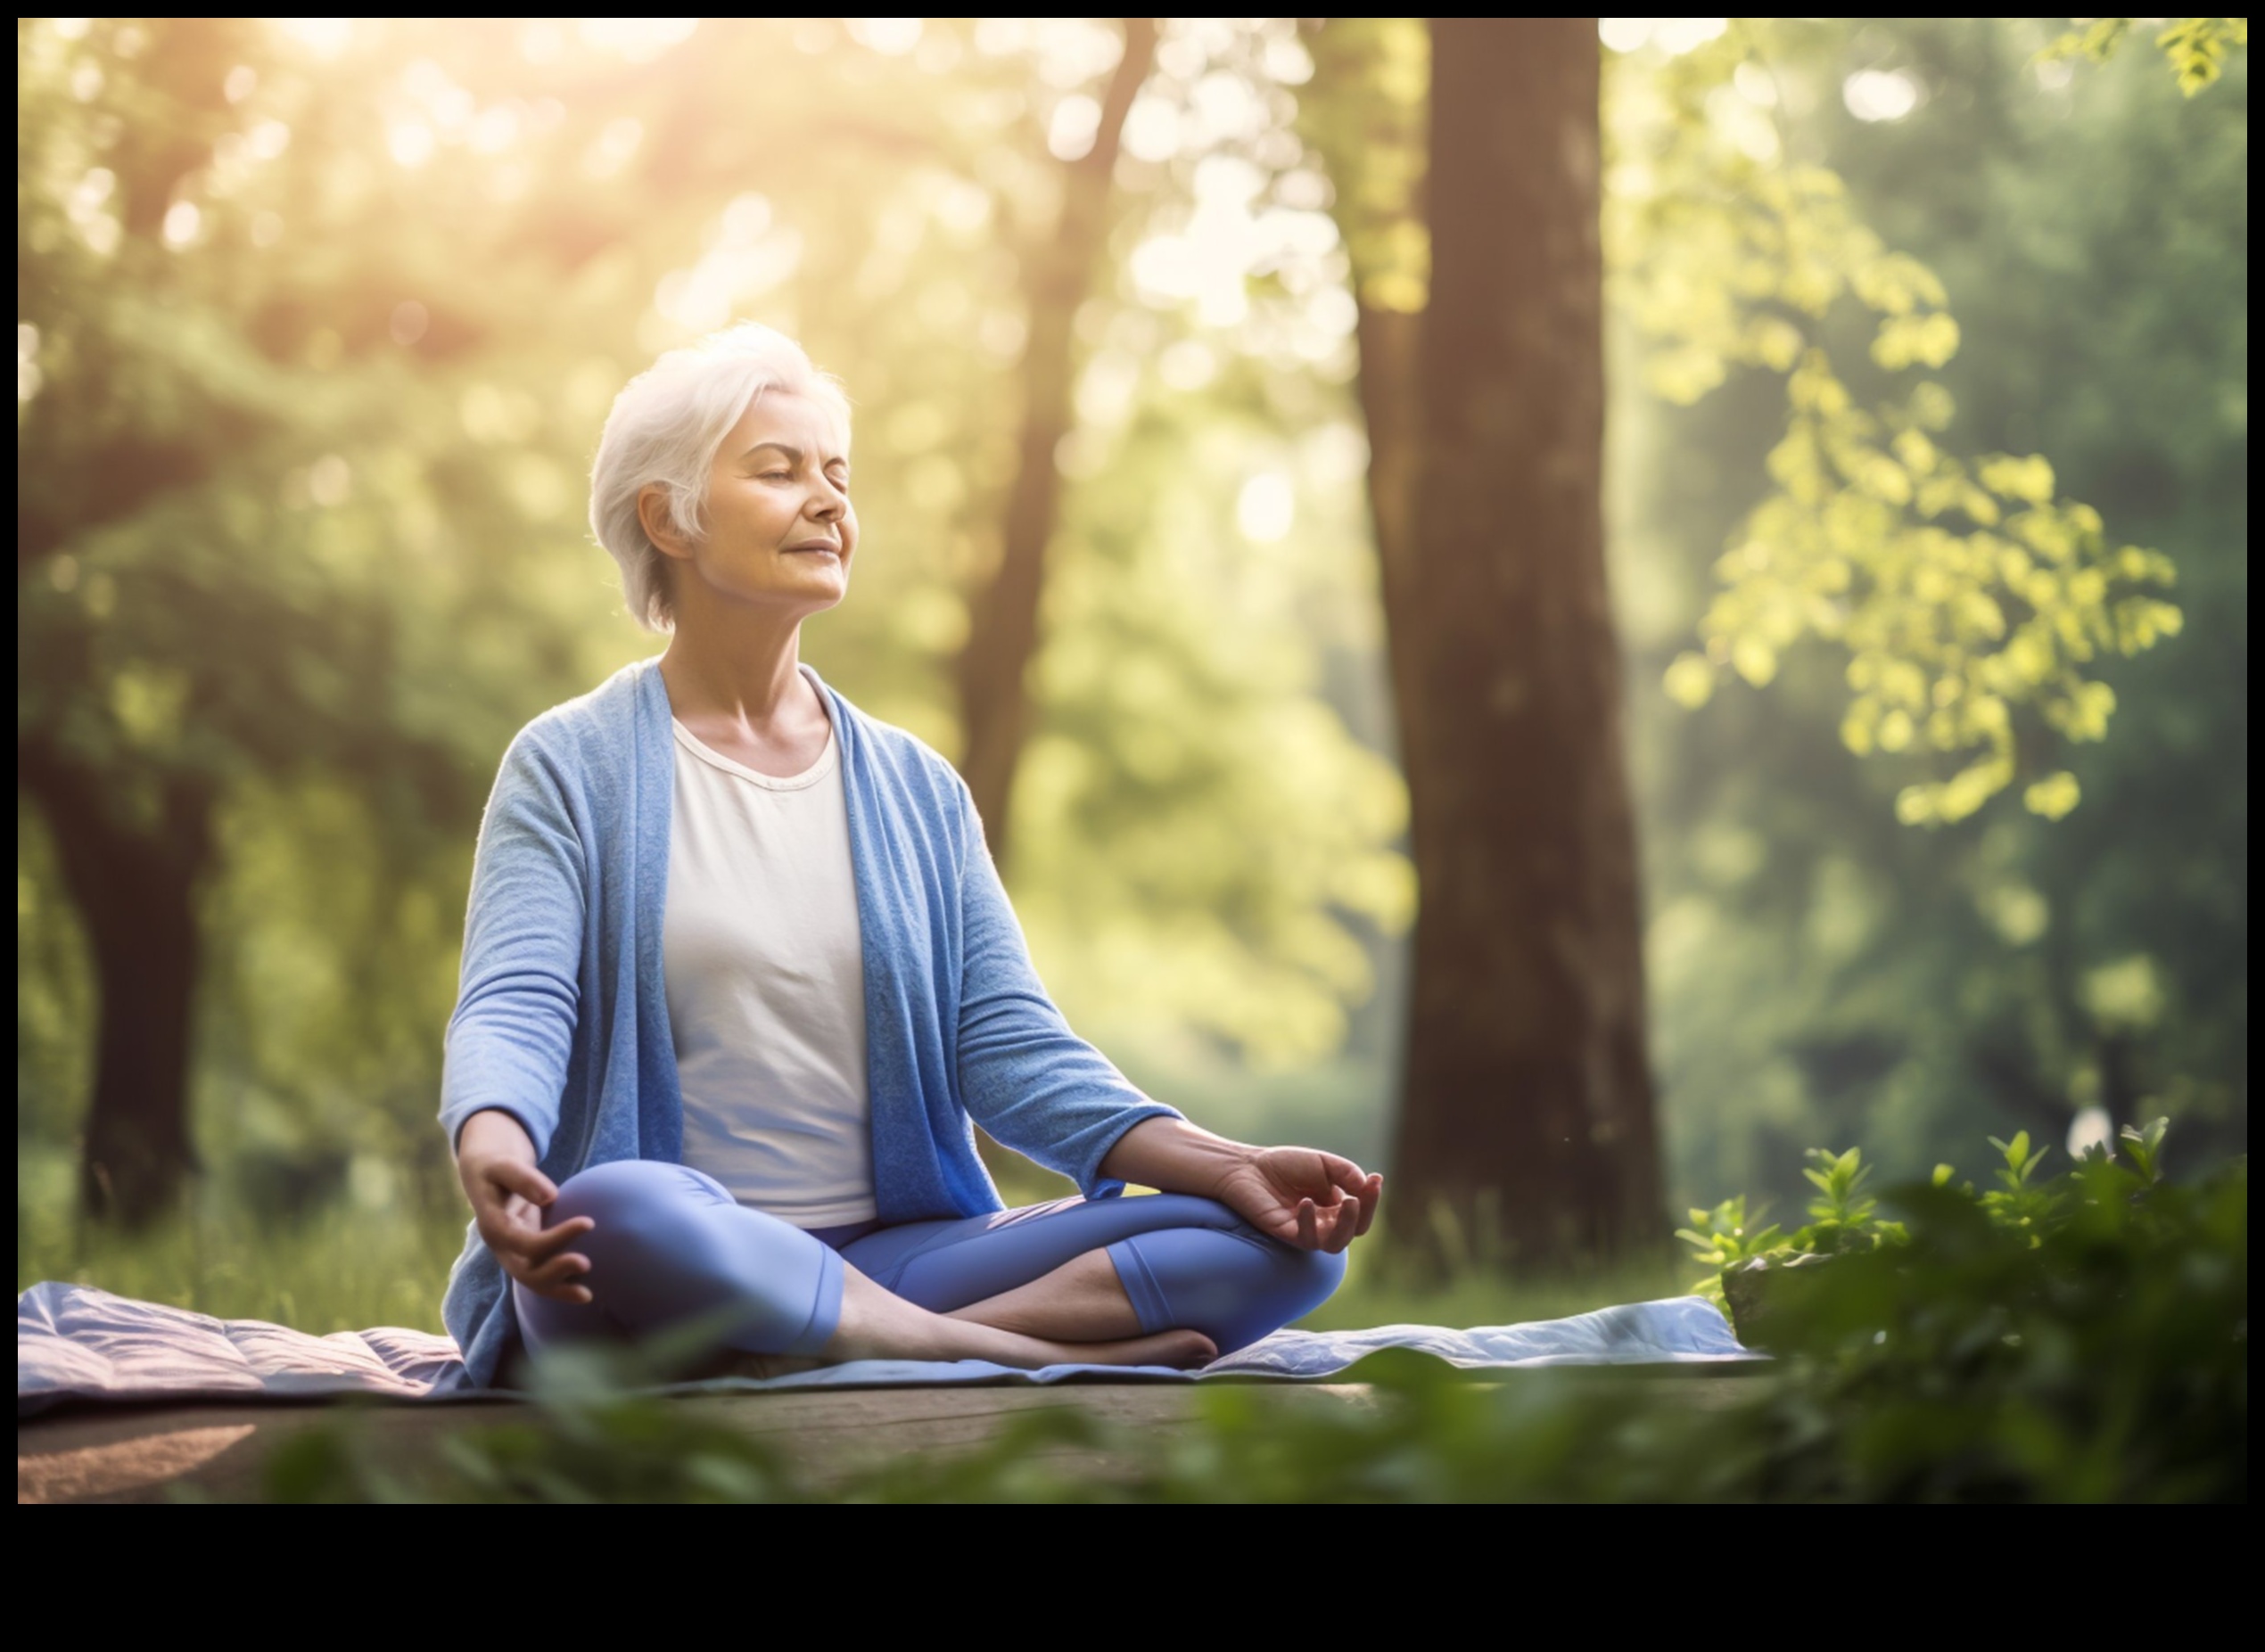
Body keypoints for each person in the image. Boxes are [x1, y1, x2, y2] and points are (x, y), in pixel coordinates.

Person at [439, 323, 1382, 1386]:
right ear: (671, 518)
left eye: (838, 474)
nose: (829, 499)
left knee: (1279, 1244)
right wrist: (491, 1139)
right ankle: (970, 1346)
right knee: (612, 1206)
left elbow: (1011, 1048)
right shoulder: (570, 765)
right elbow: (514, 1001)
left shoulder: (916, 789)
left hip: (898, 1254)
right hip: (658, 1261)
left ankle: (836, 1337)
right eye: (778, 470)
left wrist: (1231, 1164)